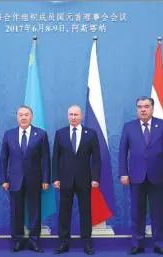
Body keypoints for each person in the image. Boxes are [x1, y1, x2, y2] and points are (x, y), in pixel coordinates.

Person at [118, 96, 163, 255]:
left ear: (152, 108)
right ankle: (137, 243)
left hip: (158, 175)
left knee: (158, 212)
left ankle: (160, 244)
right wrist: (123, 173)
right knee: (137, 211)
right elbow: (123, 152)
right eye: (139, 107)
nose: (143, 109)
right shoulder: (129, 127)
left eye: (146, 106)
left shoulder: (162, 125)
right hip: (136, 176)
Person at [0, 105, 50, 253]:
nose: (23, 117)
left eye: (26, 115)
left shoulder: (41, 134)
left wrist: (46, 179)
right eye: (21, 115)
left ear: (31, 117)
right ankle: (17, 241)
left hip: (35, 179)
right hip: (14, 180)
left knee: (35, 211)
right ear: (17, 117)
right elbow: (4, 158)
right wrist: (3, 179)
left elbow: (46, 159)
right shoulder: (9, 135)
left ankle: (34, 241)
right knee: (16, 212)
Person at [52, 105, 100, 255]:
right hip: (65, 180)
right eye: (71, 114)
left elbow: (97, 159)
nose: (73, 117)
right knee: (64, 212)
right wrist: (56, 178)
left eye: (76, 115)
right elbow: (55, 158)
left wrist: (96, 178)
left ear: (82, 116)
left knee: (85, 212)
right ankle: (63, 242)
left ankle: (87, 242)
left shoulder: (91, 134)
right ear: (68, 116)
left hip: (84, 180)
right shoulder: (60, 134)